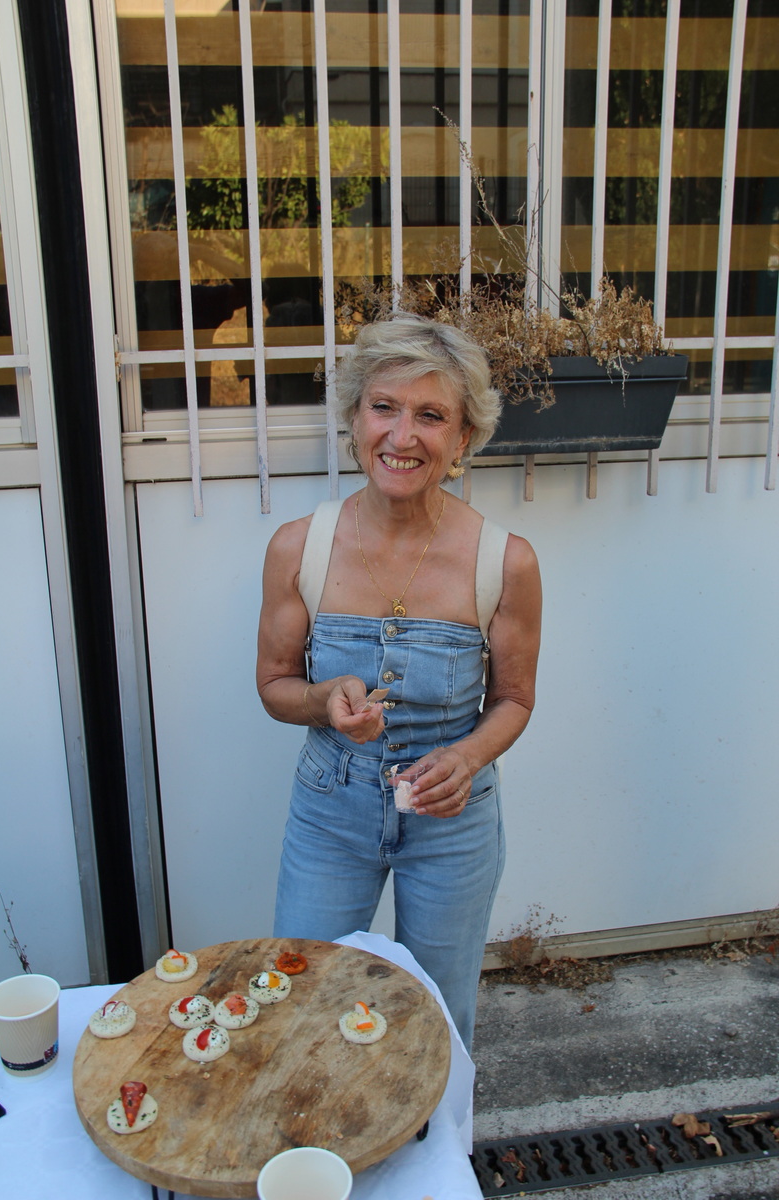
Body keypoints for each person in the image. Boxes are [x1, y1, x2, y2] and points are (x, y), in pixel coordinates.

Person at [256, 313, 542, 1049]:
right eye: (384, 406)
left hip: (453, 824)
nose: (402, 435)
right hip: (330, 814)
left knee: (437, 1024)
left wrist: (467, 757)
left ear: (464, 439)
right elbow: (275, 684)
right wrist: (323, 700)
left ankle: (439, 1127)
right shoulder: (298, 548)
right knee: (305, 1003)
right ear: (355, 419)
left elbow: (514, 699)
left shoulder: (505, 561)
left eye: (431, 416)